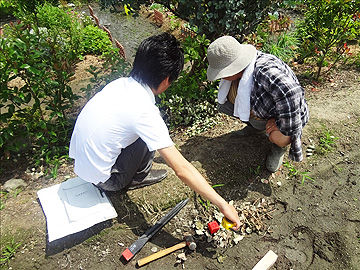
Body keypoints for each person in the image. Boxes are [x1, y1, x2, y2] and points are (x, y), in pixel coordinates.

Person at [69, 33, 240, 229]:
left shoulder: (118, 84)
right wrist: (223, 205)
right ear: (166, 79)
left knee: (143, 132)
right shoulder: (144, 111)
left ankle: (128, 172)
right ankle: (136, 178)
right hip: (105, 180)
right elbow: (182, 169)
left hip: (82, 166)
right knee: (152, 135)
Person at [206, 36, 309, 172]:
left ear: (233, 68)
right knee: (225, 105)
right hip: (265, 108)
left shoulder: (264, 71)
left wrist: (280, 125)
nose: (221, 77)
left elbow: (292, 93)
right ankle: (256, 126)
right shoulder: (243, 72)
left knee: (277, 137)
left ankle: (279, 147)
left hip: (286, 114)